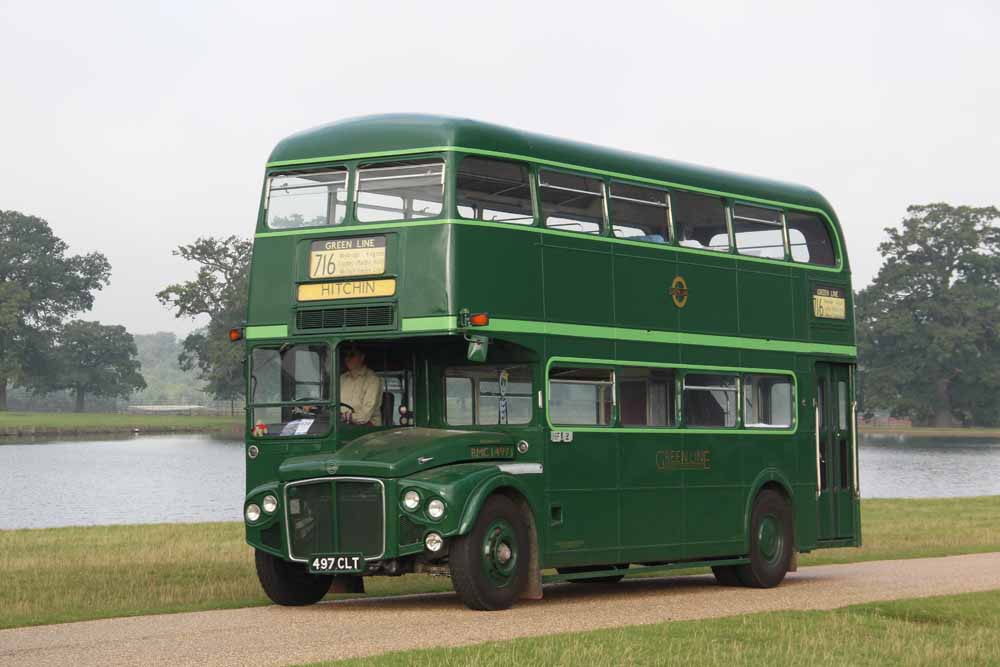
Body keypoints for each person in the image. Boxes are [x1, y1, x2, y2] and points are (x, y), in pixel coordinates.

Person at [339, 345, 383, 425]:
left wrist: (345, 417)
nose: (347, 359)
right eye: (345, 355)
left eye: (351, 355)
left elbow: (364, 416)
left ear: (362, 357)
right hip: (341, 424)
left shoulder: (373, 380)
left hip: (366, 427)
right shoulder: (342, 378)